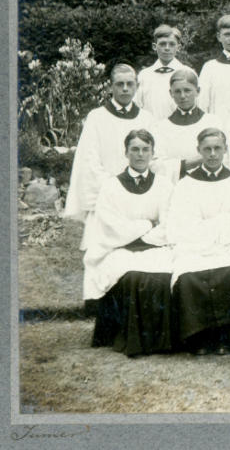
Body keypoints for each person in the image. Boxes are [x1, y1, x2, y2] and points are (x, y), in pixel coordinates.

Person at [167, 127, 230, 355]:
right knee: (189, 274)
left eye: (217, 148)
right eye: (207, 149)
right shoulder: (185, 185)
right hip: (195, 245)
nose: (212, 154)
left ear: (226, 150)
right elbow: (181, 223)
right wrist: (218, 225)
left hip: (227, 244)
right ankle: (198, 338)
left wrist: (220, 232)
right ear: (198, 150)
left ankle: (229, 338)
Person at [83, 129, 176, 357]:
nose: (140, 155)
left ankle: (162, 341)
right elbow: (111, 226)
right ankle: (132, 339)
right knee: (131, 274)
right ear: (126, 152)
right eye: (135, 149)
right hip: (120, 249)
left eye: (146, 150)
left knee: (166, 273)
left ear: (153, 153)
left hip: (155, 247)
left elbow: (169, 224)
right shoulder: (111, 186)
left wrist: (144, 234)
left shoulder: (164, 185)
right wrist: (147, 225)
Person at [64, 64, 155, 239]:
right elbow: (89, 159)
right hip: (106, 192)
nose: (125, 89)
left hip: (138, 191)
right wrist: (113, 187)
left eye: (130, 84)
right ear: (110, 86)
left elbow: (152, 157)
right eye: (120, 84)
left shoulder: (147, 118)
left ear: (137, 86)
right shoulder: (97, 117)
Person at [151, 69, 223, 184]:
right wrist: (187, 164)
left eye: (187, 90)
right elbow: (156, 165)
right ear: (171, 93)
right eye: (178, 91)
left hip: (208, 183)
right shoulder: (161, 127)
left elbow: (224, 158)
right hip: (176, 185)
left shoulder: (213, 122)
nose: (183, 96)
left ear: (197, 91)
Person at [135, 24, 191, 121]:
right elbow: (136, 106)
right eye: (162, 44)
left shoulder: (187, 73)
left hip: (179, 130)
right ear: (154, 46)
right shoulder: (144, 76)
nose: (167, 48)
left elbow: (194, 107)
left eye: (172, 44)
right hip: (150, 130)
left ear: (178, 47)